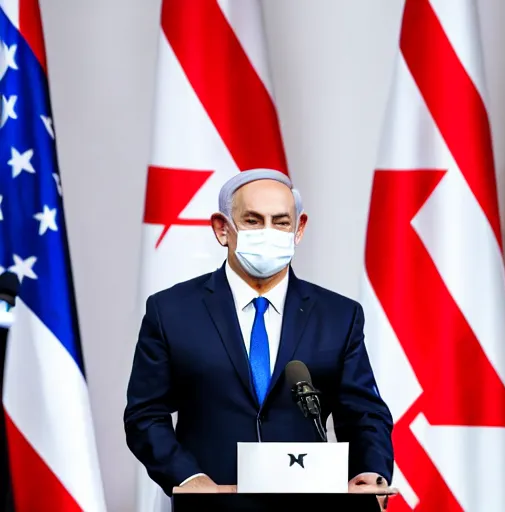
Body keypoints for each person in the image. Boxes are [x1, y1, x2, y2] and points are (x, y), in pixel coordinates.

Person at [124, 169, 395, 506]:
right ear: (223, 229)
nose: (269, 232)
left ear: (299, 229)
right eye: (253, 220)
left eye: (281, 222)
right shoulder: (172, 311)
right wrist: (189, 477)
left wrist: (370, 471)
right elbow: (145, 415)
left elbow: (364, 414)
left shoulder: (339, 315)